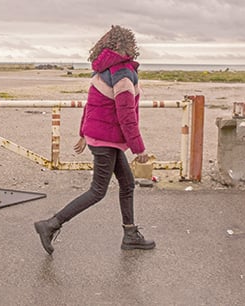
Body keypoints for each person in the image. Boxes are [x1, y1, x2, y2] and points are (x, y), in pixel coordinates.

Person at [34, 25, 155, 255]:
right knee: (97, 191)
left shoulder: (102, 70)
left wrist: (82, 133)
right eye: (129, 43)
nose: (132, 47)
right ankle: (50, 225)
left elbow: (91, 105)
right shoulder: (122, 73)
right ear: (123, 46)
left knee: (127, 183)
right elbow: (126, 116)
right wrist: (139, 149)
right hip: (105, 140)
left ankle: (130, 234)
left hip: (103, 138)